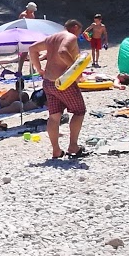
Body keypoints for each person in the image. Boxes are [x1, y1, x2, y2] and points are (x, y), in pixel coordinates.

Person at [29, 18, 87, 159]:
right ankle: (73, 146)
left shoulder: (52, 38)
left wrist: (39, 69)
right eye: (79, 31)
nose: (78, 35)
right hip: (63, 82)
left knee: (54, 116)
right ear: (75, 27)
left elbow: (32, 49)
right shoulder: (70, 37)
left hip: (48, 82)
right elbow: (62, 52)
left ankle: (56, 149)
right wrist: (76, 70)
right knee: (79, 111)